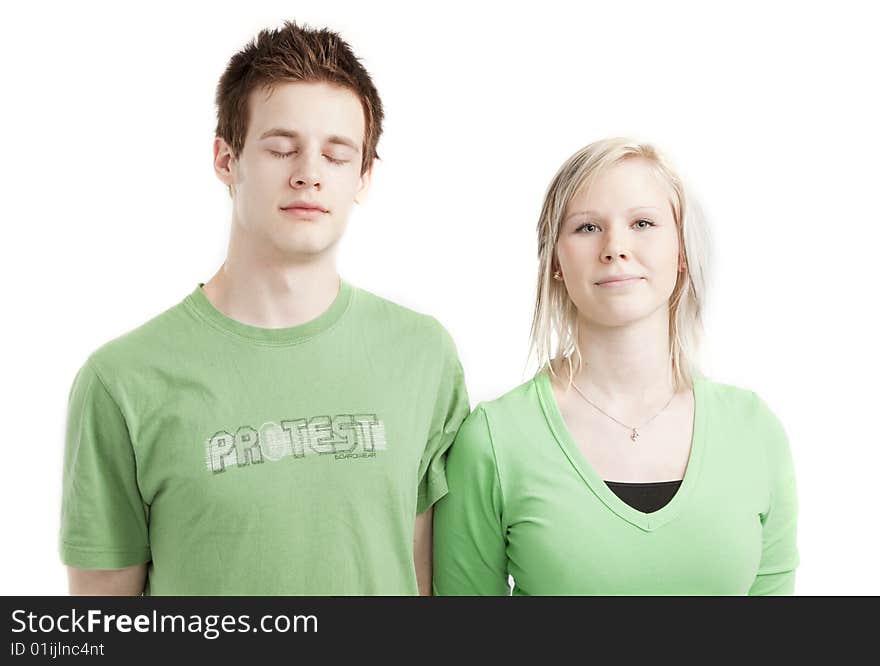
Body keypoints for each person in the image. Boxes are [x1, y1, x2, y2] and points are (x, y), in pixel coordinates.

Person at [60, 21, 469, 595]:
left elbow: (427, 584)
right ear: (227, 159)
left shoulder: (424, 356)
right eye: (281, 148)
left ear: (364, 175)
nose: (308, 174)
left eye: (336, 154)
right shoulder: (121, 382)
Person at [433, 137, 798, 595]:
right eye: (587, 228)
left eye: (643, 222)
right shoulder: (493, 439)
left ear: (681, 252)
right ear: (556, 263)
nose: (615, 247)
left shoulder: (754, 432)